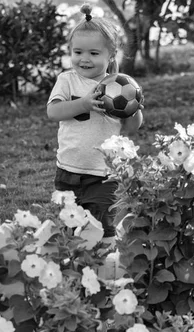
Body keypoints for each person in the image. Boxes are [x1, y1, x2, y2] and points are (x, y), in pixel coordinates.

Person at [47, 3, 143, 244]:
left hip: (103, 175)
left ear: (110, 55)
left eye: (93, 53)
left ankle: (104, 272)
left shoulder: (119, 86)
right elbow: (53, 112)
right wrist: (83, 104)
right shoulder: (67, 81)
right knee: (67, 230)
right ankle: (74, 270)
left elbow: (131, 130)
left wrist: (134, 111)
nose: (84, 59)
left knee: (103, 230)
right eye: (78, 52)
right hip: (68, 170)